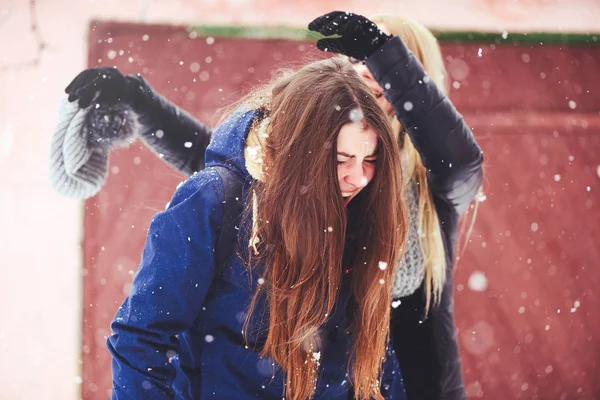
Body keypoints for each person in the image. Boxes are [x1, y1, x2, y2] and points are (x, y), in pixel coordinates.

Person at [59, 11, 484, 400]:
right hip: (328, 373)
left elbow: (463, 161)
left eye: (387, 68)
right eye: (361, 62)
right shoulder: (315, 175)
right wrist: (142, 103)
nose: (371, 75)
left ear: (416, 80)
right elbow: (231, 169)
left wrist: (386, 56)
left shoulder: (429, 186)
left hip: (413, 381)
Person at [107, 57, 408, 399]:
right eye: (340, 160)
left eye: (369, 160)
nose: (358, 178)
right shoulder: (216, 201)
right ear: (300, 152)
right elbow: (140, 340)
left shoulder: (361, 211)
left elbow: (375, 356)